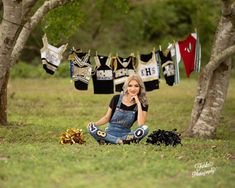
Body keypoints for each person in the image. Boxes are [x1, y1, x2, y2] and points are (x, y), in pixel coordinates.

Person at [87, 73, 149, 144]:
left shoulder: (143, 104)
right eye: (130, 86)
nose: (133, 89)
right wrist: (95, 124)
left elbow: (141, 124)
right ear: (126, 87)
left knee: (145, 129)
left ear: (140, 88)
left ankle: (110, 141)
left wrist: (138, 103)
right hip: (109, 133)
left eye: (136, 86)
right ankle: (118, 141)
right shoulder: (116, 98)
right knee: (91, 127)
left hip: (126, 135)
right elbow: (107, 117)